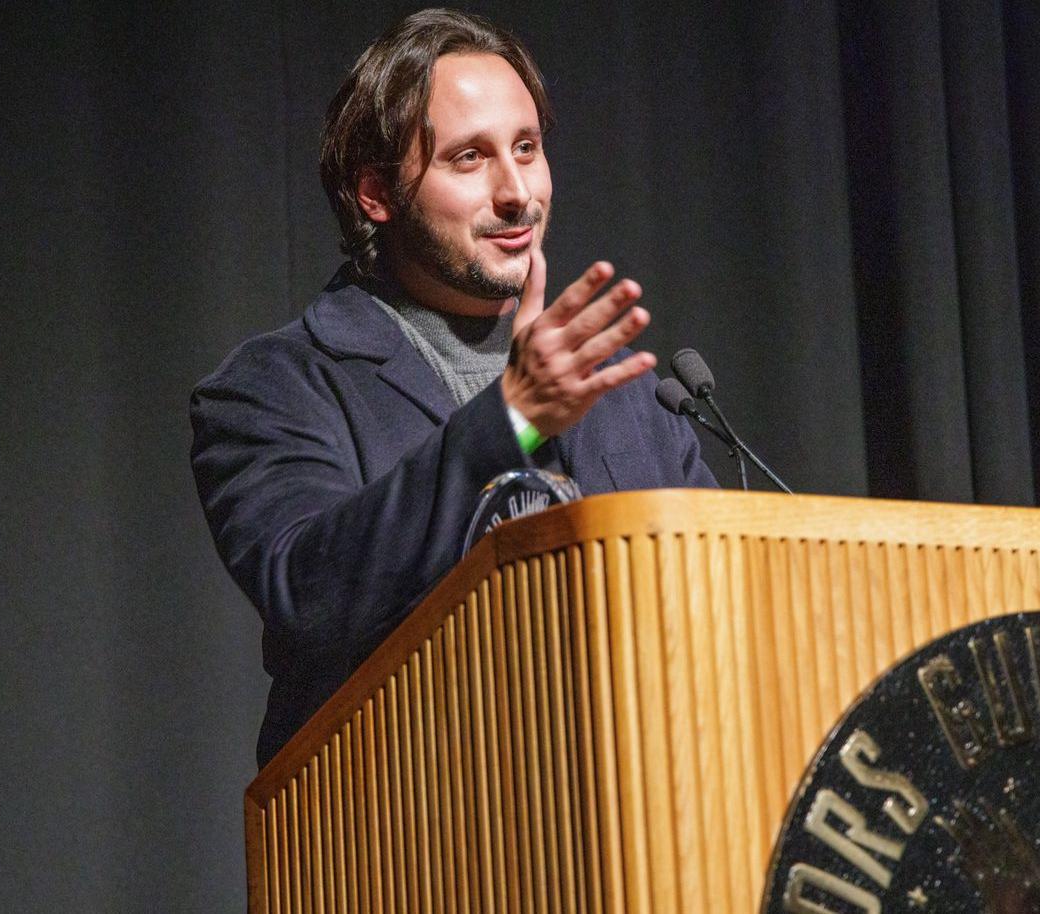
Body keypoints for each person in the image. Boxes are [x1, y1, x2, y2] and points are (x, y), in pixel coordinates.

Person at [191, 8, 716, 768]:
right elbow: (308, 594)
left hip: (628, 826)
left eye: (527, 149)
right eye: (470, 158)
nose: (517, 193)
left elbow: (716, 601)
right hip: (408, 841)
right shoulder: (273, 388)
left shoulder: (624, 391)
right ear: (377, 193)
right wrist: (511, 417)